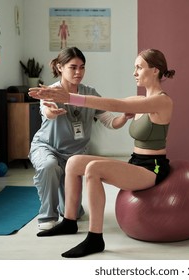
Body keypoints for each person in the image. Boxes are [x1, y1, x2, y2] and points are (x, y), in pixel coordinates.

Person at [28, 48, 175, 258]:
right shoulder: (139, 99)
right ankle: (69, 221)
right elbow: (119, 106)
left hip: (153, 167)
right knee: (74, 162)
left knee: (94, 169)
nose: (134, 72)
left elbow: (115, 104)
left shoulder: (161, 101)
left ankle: (95, 239)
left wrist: (69, 97)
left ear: (155, 70)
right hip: (136, 162)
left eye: (139, 67)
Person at [29, 46, 132, 231]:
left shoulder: (90, 93)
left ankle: (66, 208)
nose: (78, 72)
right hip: (47, 147)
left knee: (74, 214)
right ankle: (47, 215)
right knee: (49, 166)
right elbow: (47, 111)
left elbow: (110, 121)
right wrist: (51, 111)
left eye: (82, 67)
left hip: (74, 156)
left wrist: (124, 117)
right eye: (73, 67)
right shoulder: (51, 91)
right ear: (60, 67)